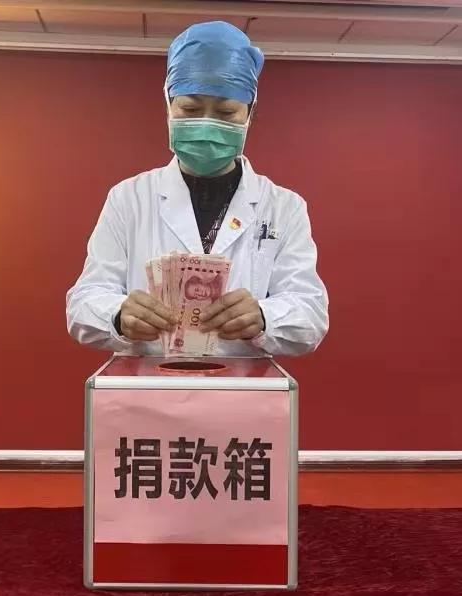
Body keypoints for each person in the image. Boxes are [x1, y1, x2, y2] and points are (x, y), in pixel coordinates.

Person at [66, 21, 328, 357]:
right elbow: (83, 302)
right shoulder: (128, 199)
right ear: (168, 106)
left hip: (243, 385)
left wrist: (265, 317)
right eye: (190, 109)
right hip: (147, 383)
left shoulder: (283, 207)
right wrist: (118, 316)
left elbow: (311, 314)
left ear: (250, 114)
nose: (206, 123)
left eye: (226, 112)